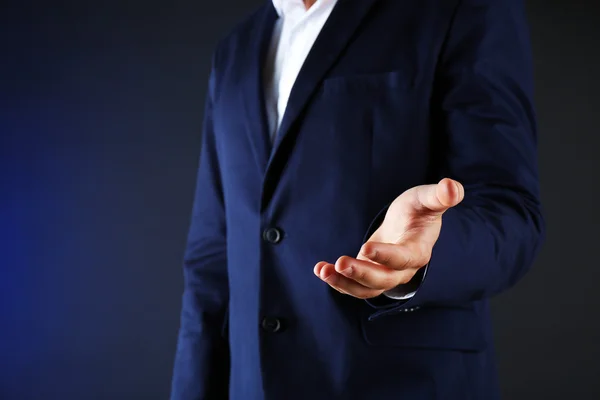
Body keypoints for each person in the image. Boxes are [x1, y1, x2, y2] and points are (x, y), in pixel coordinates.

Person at [170, 0, 545, 398]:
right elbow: (211, 260)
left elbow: (512, 212)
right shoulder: (235, 48)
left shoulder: (461, 9)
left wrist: (424, 255)